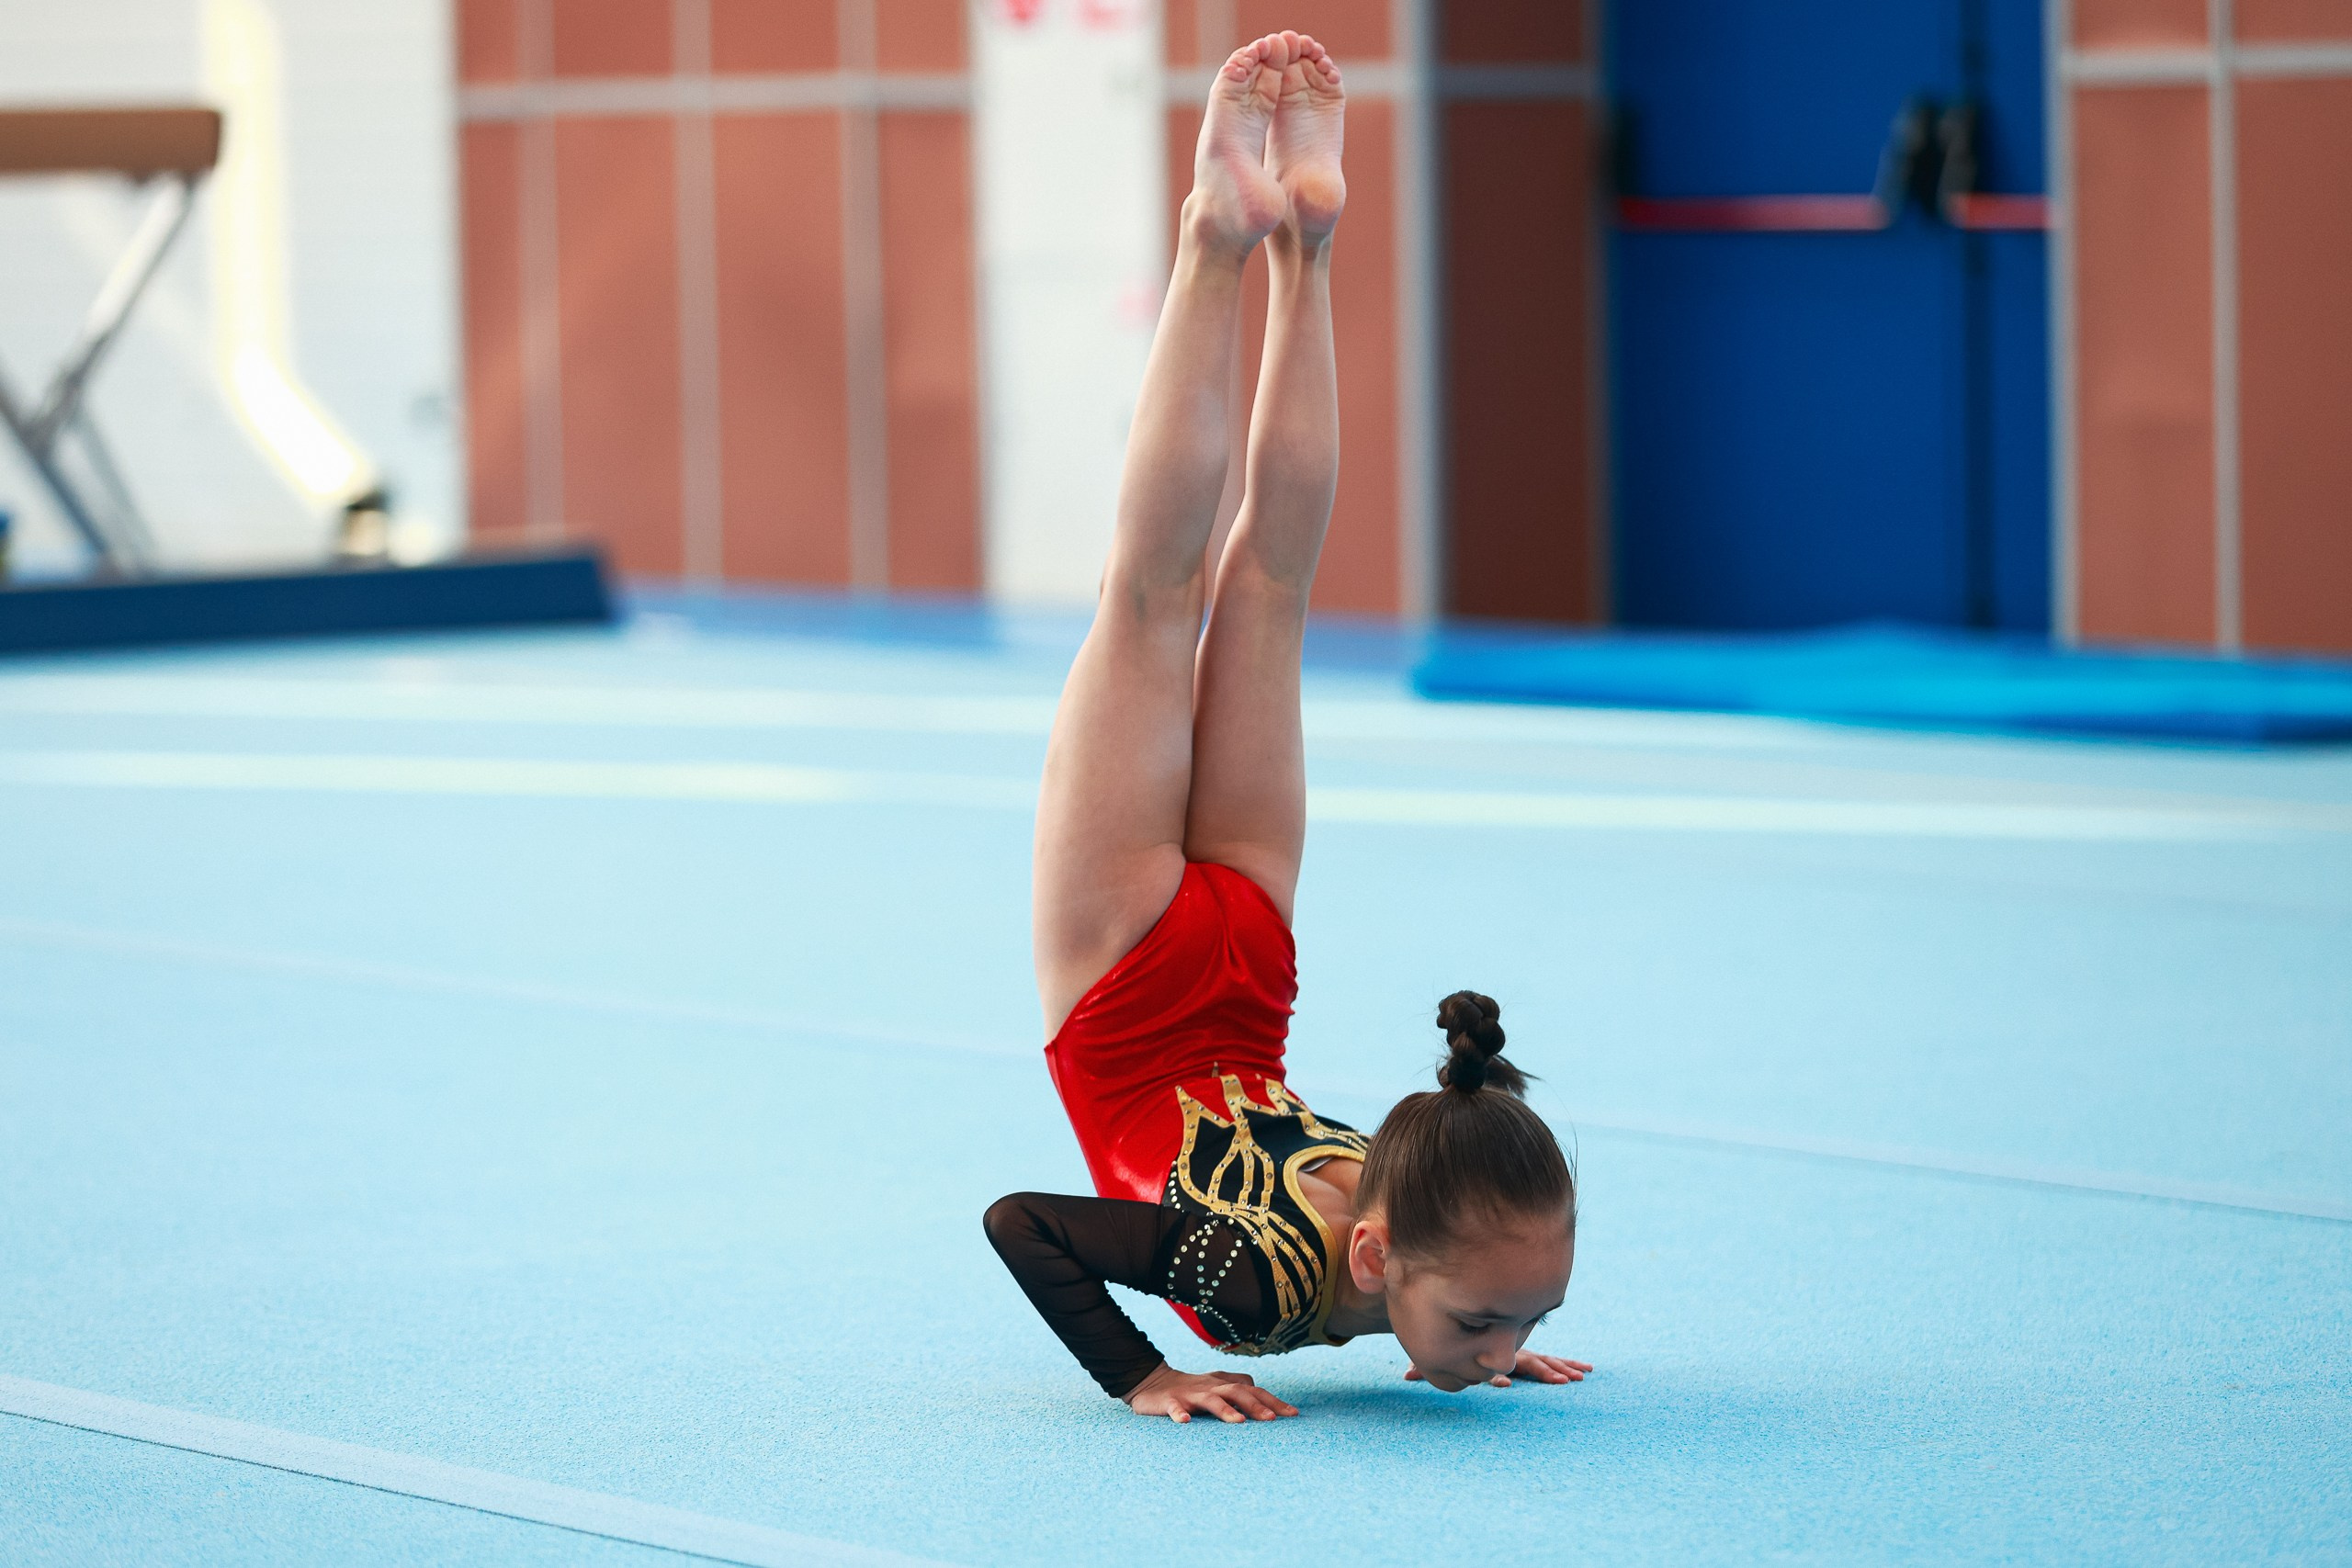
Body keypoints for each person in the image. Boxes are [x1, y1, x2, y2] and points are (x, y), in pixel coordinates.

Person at [983, 31, 1589, 1424]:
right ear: (1373, 1260)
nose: (1499, 1352)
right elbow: (1027, 1222)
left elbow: (1452, 1245)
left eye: (1521, 1320)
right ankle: (1222, 238)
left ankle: (1306, 234)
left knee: (1252, 587)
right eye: (1493, 1322)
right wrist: (1146, 1373)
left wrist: (1489, 1324)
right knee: (1163, 592)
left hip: (1253, 957)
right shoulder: (1251, 1277)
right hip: (1129, 983)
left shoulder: (1428, 1168)